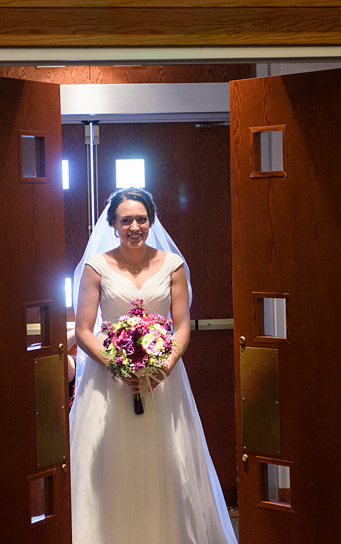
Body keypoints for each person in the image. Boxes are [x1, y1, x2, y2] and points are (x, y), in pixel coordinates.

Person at [69, 187, 237, 544]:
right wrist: (118, 365)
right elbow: (84, 330)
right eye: (126, 219)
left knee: (167, 464)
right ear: (113, 224)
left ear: (152, 220)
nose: (134, 226)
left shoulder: (173, 265)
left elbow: (181, 326)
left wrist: (165, 365)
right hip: (109, 381)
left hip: (164, 380)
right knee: (110, 466)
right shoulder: (95, 267)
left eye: (141, 219)